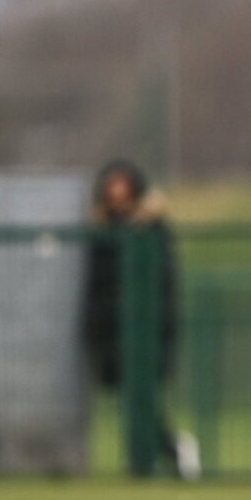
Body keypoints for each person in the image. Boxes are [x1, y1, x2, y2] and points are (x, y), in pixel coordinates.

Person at [85, 158, 200, 480]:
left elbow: (165, 284)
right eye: (111, 188)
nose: (116, 194)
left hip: (148, 330)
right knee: (131, 402)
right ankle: (156, 455)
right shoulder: (103, 231)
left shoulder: (152, 229)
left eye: (122, 187)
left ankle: (170, 451)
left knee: (145, 401)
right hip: (114, 333)